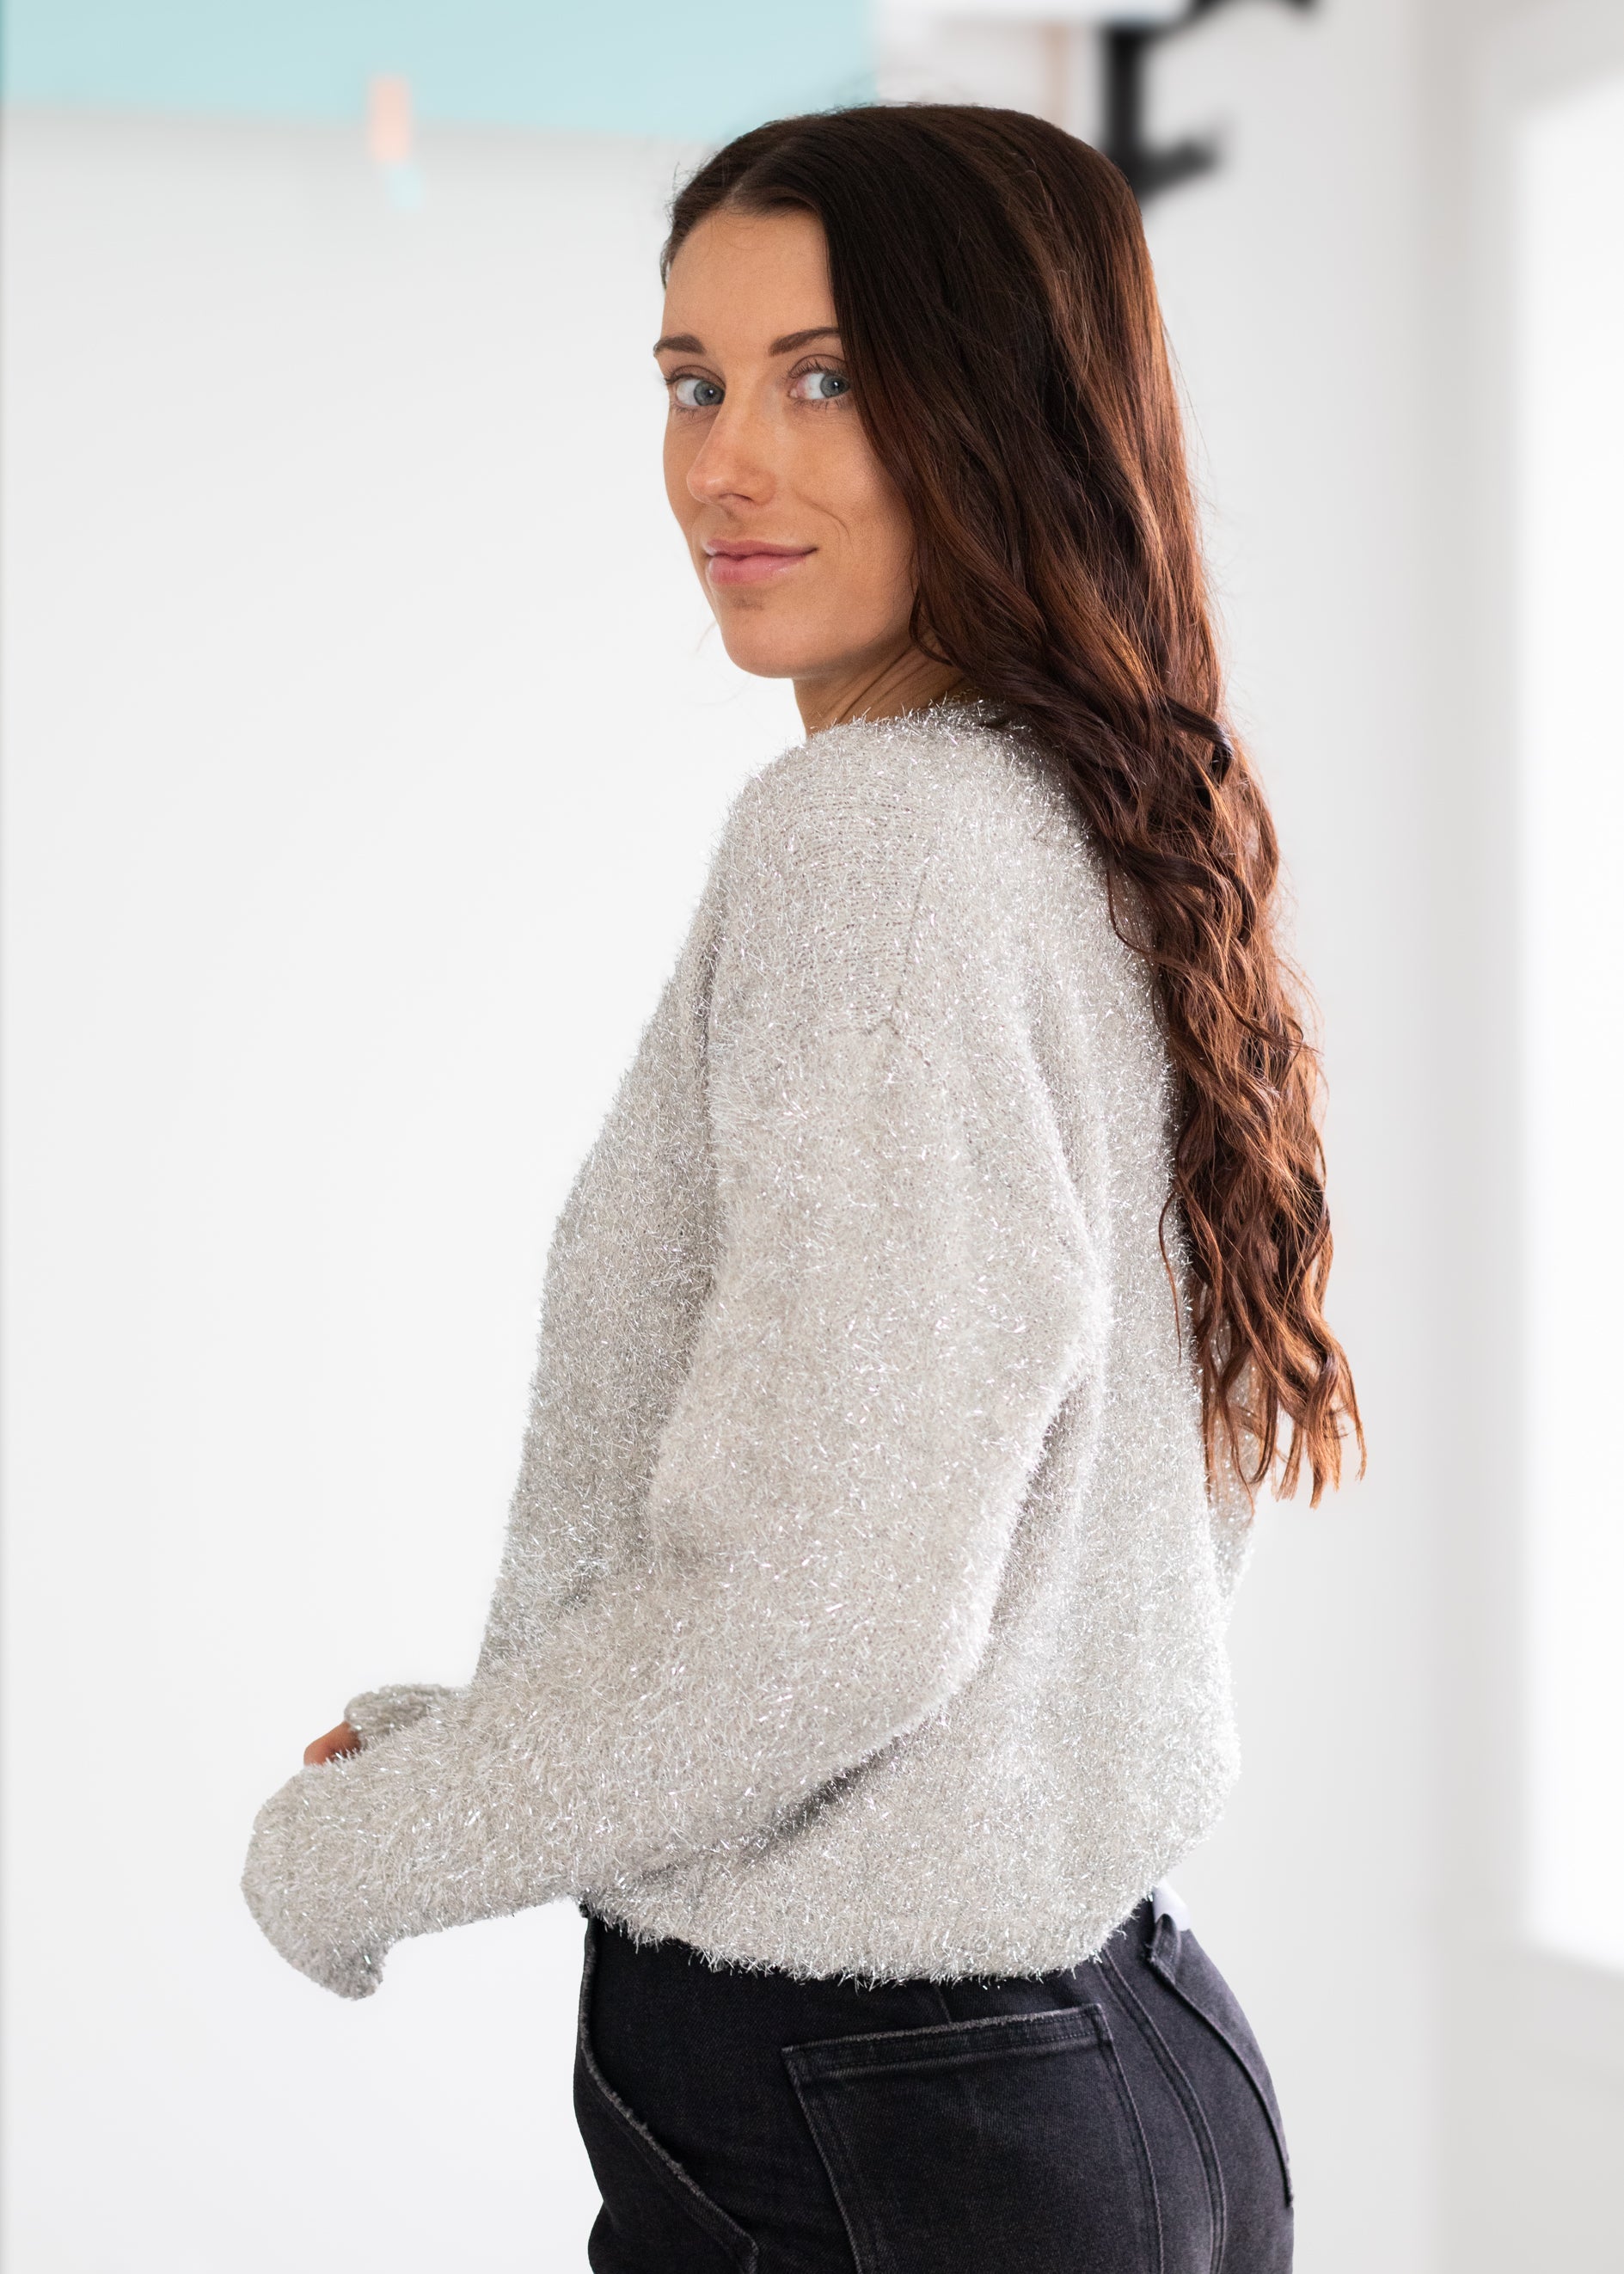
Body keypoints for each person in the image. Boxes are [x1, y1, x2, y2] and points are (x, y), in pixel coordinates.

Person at [243, 102, 1360, 2271]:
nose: (725, 465)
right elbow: (983, 1562)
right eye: (693, 383)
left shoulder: (879, 848)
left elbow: (837, 1613)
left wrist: (352, 1856)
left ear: (1004, 411)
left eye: (824, 377)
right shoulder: (1099, 834)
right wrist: (497, 1744)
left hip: (877, 2118)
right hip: (1122, 2061)